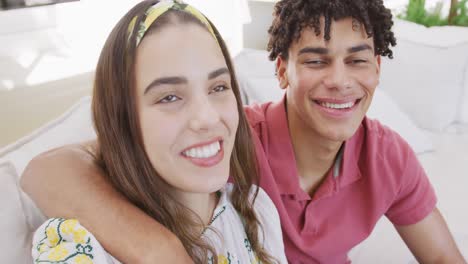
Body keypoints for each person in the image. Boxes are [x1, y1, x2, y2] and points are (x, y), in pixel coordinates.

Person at [22, 0, 466, 263]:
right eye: (315, 60)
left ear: (377, 68)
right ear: (282, 71)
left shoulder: (386, 158)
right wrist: (161, 250)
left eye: (357, 60)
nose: (340, 81)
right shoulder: (231, 141)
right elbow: (51, 170)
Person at [27, 1, 287, 263]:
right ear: (123, 119)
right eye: (170, 97)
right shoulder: (79, 247)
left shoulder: (255, 209)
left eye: (218, 87)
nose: (207, 118)